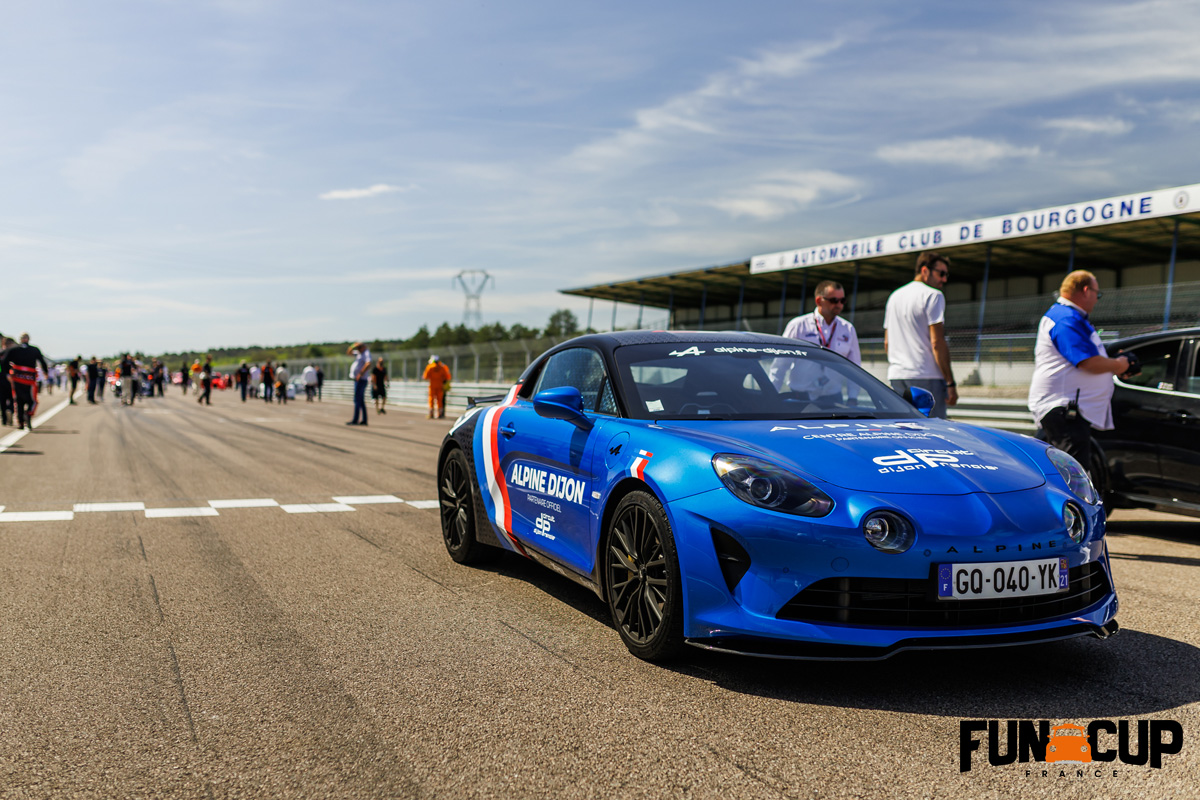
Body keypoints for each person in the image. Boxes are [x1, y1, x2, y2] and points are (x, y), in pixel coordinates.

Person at [1029, 270, 1133, 474]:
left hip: (1067, 409)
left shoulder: (1069, 316)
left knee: (1064, 473)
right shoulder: (1065, 318)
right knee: (1073, 476)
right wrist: (1120, 365)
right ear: (1086, 290)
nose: (1097, 299)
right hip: (1064, 409)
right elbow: (1087, 362)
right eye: (1097, 294)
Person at [884, 251, 957, 418]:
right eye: (941, 274)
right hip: (926, 375)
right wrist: (950, 382)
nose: (944, 279)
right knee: (932, 430)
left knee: (903, 428)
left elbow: (887, 343)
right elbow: (937, 343)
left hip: (897, 375)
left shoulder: (894, 296)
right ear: (925, 271)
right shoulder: (933, 295)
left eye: (946, 275)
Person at [771, 280, 862, 405]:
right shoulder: (798, 325)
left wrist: (853, 397)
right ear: (819, 301)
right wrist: (770, 395)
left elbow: (854, 367)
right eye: (834, 300)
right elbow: (780, 364)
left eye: (843, 300)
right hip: (800, 398)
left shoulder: (848, 329)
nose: (839, 305)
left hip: (833, 398)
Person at [0, 333, 49, 430]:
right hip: (29, 379)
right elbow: (42, 361)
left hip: (18, 379)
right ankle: (27, 415)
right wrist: (45, 372)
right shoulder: (34, 349)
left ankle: (21, 422)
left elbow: (4, 361)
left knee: (19, 401)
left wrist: (7, 374)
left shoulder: (13, 350)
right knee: (31, 400)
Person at [347, 343, 371, 425]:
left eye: (359, 347)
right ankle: (364, 420)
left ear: (363, 347)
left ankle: (355, 419)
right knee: (360, 400)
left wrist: (360, 374)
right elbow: (349, 353)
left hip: (361, 379)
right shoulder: (359, 353)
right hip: (358, 379)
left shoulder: (366, 353)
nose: (358, 349)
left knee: (357, 400)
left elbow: (368, 363)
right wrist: (353, 345)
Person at [423, 354, 452, 419]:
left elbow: (425, 377)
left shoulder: (429, 367)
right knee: (440, 400)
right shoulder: (442, 367)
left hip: (432, 386)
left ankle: (431, 414)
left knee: (431, 399)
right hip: (440, 386)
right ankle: (440, 414)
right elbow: (446, 377)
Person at [0, 335, 13, 425]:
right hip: (11, 379)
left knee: (2, 400)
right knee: (12, 398)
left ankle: (4, 419)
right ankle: (10, 410)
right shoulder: (13, 353)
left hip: (1, 378)